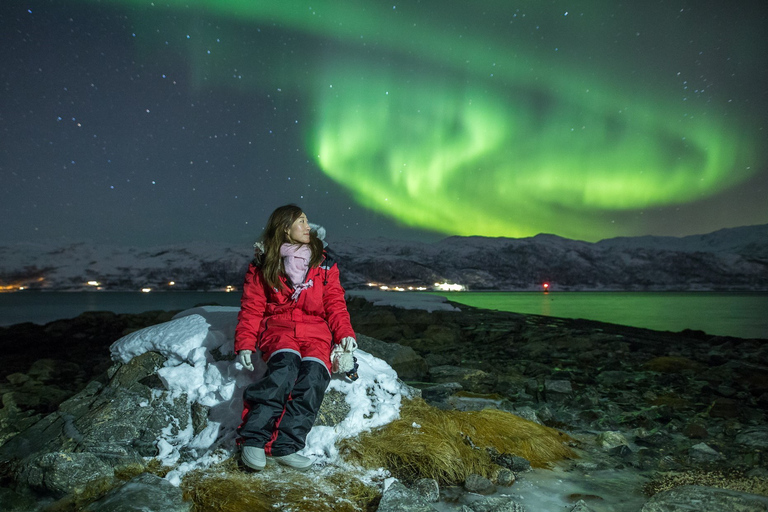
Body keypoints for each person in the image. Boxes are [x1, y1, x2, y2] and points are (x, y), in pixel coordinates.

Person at [234, 204, 357, 471]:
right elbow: (252, 307)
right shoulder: (264, 262)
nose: (308, 226)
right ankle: (253, 440)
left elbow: (335, 302)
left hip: (316, 332)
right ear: (285, 228)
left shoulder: (323, 262)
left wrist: (345, 333)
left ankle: (285, 446)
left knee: (313, 379)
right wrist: (244, 343)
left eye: (307, 221)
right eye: (301, 221)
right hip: (279, 329)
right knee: (283, 372)